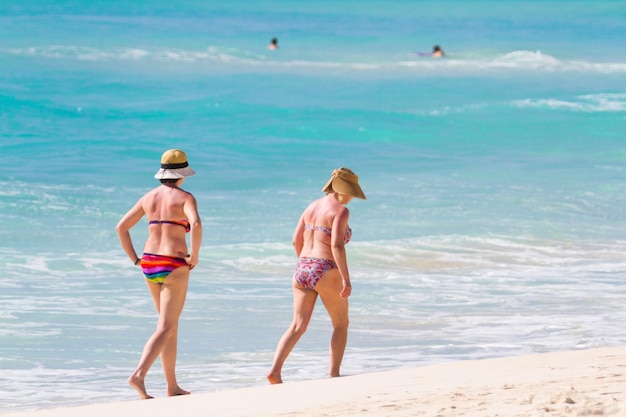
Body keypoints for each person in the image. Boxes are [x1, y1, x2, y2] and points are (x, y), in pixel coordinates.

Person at [116, 149, 202, 400]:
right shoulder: (186, 198)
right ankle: (138, 375)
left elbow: (121, 227)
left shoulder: (148, 197)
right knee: (166, 325)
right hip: (174, 262)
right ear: (182, 175)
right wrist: (194, 256)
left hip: (150, 263)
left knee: (168, 326)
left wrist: (134, 258)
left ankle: (171, 386)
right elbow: (195, 224)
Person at [267, 167, 366, 384]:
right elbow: (337, 245)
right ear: (342, 189)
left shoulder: (311, 207)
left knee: (297, 325)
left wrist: (306, 263)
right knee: (340, 324)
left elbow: (295, 241)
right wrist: (345, 278)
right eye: (351, 192)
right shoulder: (340, 212)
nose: (351, 198)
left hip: (302, 268)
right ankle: (334, 374)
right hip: (325, 267)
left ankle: (275, 371)